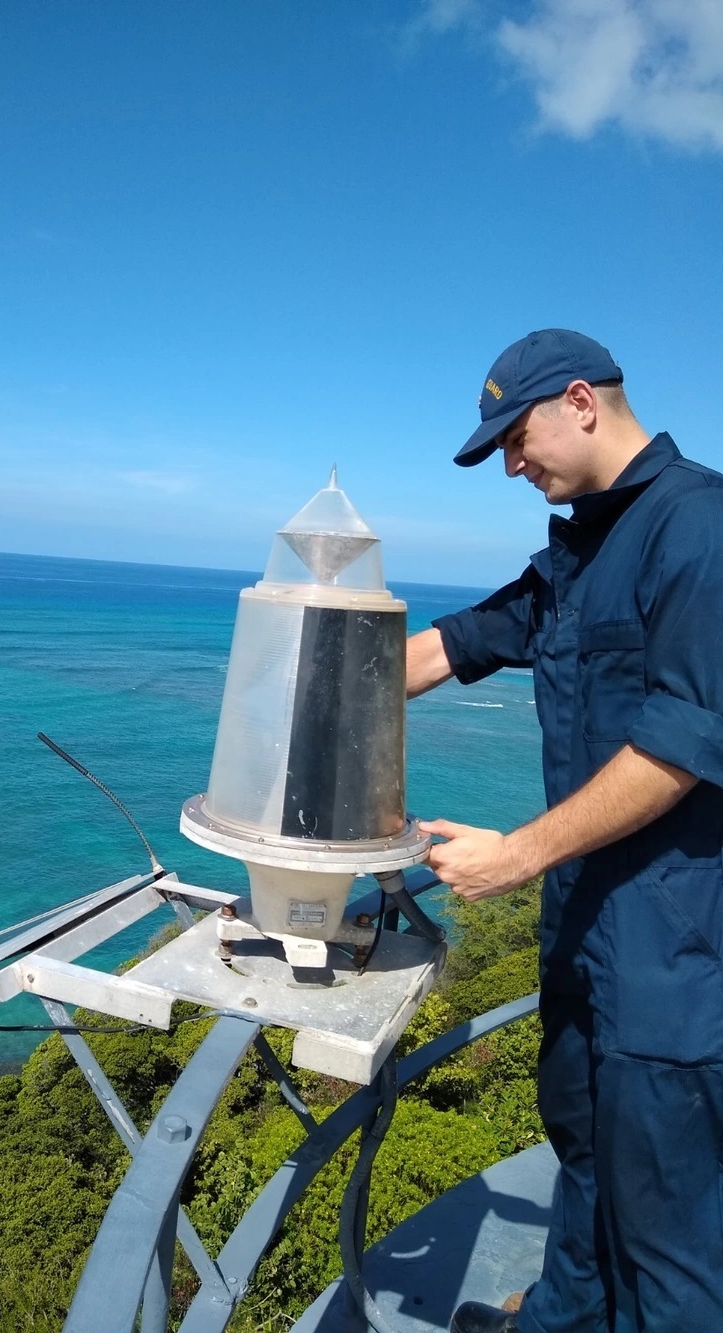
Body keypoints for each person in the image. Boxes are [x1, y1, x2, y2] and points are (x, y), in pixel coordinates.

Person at [405, 329, 723, 1333]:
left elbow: (679, 747)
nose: (509, 462)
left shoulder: (699, 530)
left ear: (579, 400)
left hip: (672, 949)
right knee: (582, 1153)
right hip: (582, 932)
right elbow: (452, 644)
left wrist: (517, 852)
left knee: (668, 1225)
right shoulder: (577, 551)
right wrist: (312, 680)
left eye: (514, 435)